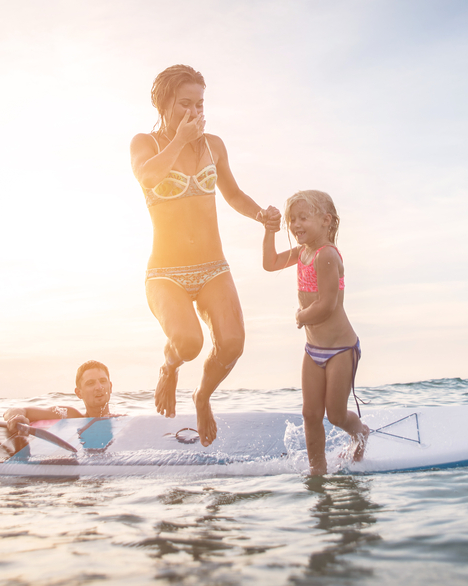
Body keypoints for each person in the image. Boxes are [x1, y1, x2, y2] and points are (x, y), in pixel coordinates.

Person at [129, 64, 281, 447]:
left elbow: (232, 194)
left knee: (232, 344)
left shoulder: (214, 144)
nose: (194, 113)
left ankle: (202, 397)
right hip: (165, 272)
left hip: (213, 267)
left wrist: (260, 214)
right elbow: (147, 177)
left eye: (199, 104)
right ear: (163, 104)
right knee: (189, 343)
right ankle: (169, 366)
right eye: (184, 104)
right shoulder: (143, 144)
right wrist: (179, 140)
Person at [262, 190, 369, 475]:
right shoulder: (302, 253)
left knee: (334, 415)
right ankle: (317, 469)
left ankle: (360, 432)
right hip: (313, 350)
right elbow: (270, 263)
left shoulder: (327, 256)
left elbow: (327, 305)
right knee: (310, 414)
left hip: (340, 349)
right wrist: (270, 231)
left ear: (326, 221)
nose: (296, 224)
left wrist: (301, 316)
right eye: (291, 220)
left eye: (303, 218)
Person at [3, 360, 120, 434]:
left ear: (110, 386)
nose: (99, 387)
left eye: (103, 381)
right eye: (90, 383)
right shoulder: (68, 415)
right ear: (79, 393)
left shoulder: (121, 421)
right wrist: (16, 417)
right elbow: (15, 411)